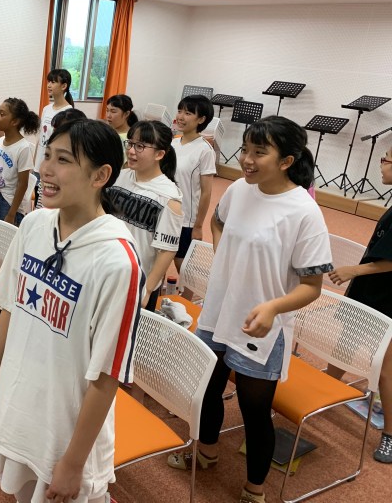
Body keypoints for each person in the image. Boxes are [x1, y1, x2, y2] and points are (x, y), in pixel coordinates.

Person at [0, 118, 145, 503]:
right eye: (47, 155)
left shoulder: (118, 261)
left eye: (63, 160)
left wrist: (73, 462)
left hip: (66, 432)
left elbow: (107, 373)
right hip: (21, 407)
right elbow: (10, 309)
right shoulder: (35, 224)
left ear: (101, 175)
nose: (46, 169)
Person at [168, 116, 332, 503]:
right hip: (218, 311)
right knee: (208, 388)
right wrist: (226, 255)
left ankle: (255, 489)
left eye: (259, 152)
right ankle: (207, 452)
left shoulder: (303, 212)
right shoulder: (240, 189)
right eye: (245, 149)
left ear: (287, 161)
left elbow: (312, 286)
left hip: (262, 327)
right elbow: (218, 223)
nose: (246, 159)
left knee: (254, 410)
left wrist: (273, 307)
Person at [328, 145, 392, 463]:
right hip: (369, 292)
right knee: (344, 345)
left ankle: (390, 435)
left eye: (386, 159)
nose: (381, 164)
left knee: (386, 372)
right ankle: (324, 391)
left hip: (387, 298)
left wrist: (352, 270)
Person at [109, 120, 183, 310]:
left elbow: (167, 250)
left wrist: (148, 289)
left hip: (138, 283)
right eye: (130, 143)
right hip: (108, 271)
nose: (131, 151)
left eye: (140, 146)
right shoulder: (119, 177)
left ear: (159, 154)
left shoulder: (169, 196)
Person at [171, 94, 217, 278]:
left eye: (188, 113)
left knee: (182, 264)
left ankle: (189, 294)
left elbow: (206, 193)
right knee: (161, 256)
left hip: (186, 219)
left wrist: (198, 226)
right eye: (180, 111)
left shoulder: (205, 150)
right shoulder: (172, 143)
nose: (181, 117)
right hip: (167, 212)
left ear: (201, 119)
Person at [0, 98, 39, 226]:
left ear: (15, 121)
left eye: (2, 114)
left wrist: (12, 213)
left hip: (9, 202)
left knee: (8, 236)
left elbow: (23, 184)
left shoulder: (23, 148)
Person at [34, 69, 74, 208]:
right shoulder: (46, 108)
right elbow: (41, 136)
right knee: (38, 201)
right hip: (39, 163)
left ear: (64, 86)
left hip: (52, 165)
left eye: (53, 82)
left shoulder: (68, 111)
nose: (49, 85)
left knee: (47, 204)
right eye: (48, 82)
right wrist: (34, 161)